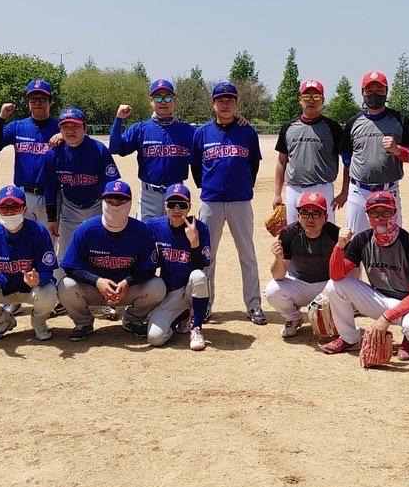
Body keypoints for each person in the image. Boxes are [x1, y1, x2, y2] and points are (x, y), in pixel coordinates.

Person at [320, 191, 409, 363]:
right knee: (334, 286)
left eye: (386, 212)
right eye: (374, 212)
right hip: (377, 299)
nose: (380, 218)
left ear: (395, 213)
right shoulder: (363, 240)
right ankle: (349, 338)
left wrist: (386, 317)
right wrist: (339, 246)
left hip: (406, 305)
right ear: (367, 216)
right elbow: (336, 275)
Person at [192, 81, 265, 324]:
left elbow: (253, 165)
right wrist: (209, 186)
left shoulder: (247, 132)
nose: (225, 104)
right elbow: (196, 167)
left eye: (230, 100)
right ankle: (204, 304)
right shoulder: (202, 133)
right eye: (220, 100)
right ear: (213, 104)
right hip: (211, 201)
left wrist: (241, 186)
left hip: (240, 201)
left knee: (247, 254)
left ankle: (253, 304)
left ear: (236, 103)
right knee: (206, 255)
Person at [57, 181, 166, 342]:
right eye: (110, 201)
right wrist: (97, 281)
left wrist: (127, 282)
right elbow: (70, 267)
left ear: (129, 203)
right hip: (94, 289)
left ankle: (133, 319)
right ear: (102, 202)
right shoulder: (87, 229)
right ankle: (83, 323)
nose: (115, 206)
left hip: (127, 290)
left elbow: (149, 269)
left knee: (158, 287)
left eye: (120, 201)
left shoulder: (141, 231)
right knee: (65, 286)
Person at [0, 185, 60, 343]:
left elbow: (47, 270)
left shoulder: (38, 231)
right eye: (4, 208)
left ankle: (39, 321)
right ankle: (3, 320)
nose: (9, 212)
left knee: (49, 292)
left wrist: (38, 280)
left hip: (33, 289)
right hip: (6, 286)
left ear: (25, 209)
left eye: (15, 207)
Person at [42, 107, 121, 266]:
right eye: (65, 127)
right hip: (69, 208)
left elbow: (111, 185)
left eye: (75, 126)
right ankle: (64, 282)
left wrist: (112, 214)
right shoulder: (53, 154)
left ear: (85, 128)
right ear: (60, 130)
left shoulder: (98, 150)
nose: (70, 130)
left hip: (97, 206)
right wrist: (52, 219)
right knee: (64, 255)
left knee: (100, 252)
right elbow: (50, 187)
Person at [339, 70, 409, 234]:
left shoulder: (400, 120)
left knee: (391, 238)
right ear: (362, 92)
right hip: (359, 190)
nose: (374, 94)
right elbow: (345, 154)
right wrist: (354, 169)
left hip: (388, 189)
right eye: (369, 90)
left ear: (386, 91)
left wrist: (397, 149)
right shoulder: (353, 122)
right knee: (355, 239)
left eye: (379, 90)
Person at [109, 78, 196, 220]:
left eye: (168, 97)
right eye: (158, 97)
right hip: (148, 194)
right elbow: (114, 148)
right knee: (145, 232)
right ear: (151, 101)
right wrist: (119, 119)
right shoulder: (140, 129)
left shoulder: (188, 131)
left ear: (174, 101)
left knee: (175, 233)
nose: (163, 102)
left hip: (176, 193)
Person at [144, 184, 212, 351]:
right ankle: (182, 315)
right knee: (155, 338)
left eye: (181, 205)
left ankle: (196, 327)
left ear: (189, 207)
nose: (176, 209)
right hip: (168, 292)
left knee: (199, 276)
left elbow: (201, 265)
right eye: (171, 204)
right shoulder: (154, 226)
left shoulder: (200, 228)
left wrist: (194, 242)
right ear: (165, 205)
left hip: (190, 288)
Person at [264, 191, 339, 339]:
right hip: (299, 284)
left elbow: (346, 272)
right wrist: (278, 258)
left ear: (326, 217)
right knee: (272, 290)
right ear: (298, 216)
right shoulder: (289, 233)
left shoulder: (334, 233)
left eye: (316, 214)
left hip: (326, 286)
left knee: (347, 286)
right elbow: (278, 276)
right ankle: (293, 318)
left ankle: (337, 320)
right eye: (305, 213)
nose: (310, 219)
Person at [272, 79, 344, 224]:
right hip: (294, 189)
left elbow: (348, 160)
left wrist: (345, 191)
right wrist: (277, 194)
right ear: (300, 99)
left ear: (323, 100)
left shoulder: (333, 127)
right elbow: (281, 161)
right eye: (306, 96)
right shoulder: (288, 127)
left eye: (316, 96)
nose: (311, 100)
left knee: (326, 230)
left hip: (323, 187)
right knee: (294, 230)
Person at [0, 79, 60, 223]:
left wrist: (65, 134)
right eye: (33, 99)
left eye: (42, 98)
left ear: (50, 102)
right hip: (23, 195)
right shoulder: (17, 126)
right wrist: (1, 117)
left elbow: (81, 142)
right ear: (28, 102)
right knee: (23, 236)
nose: (37, 102)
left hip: (51, 195)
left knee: (49, 237)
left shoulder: (59, 127)